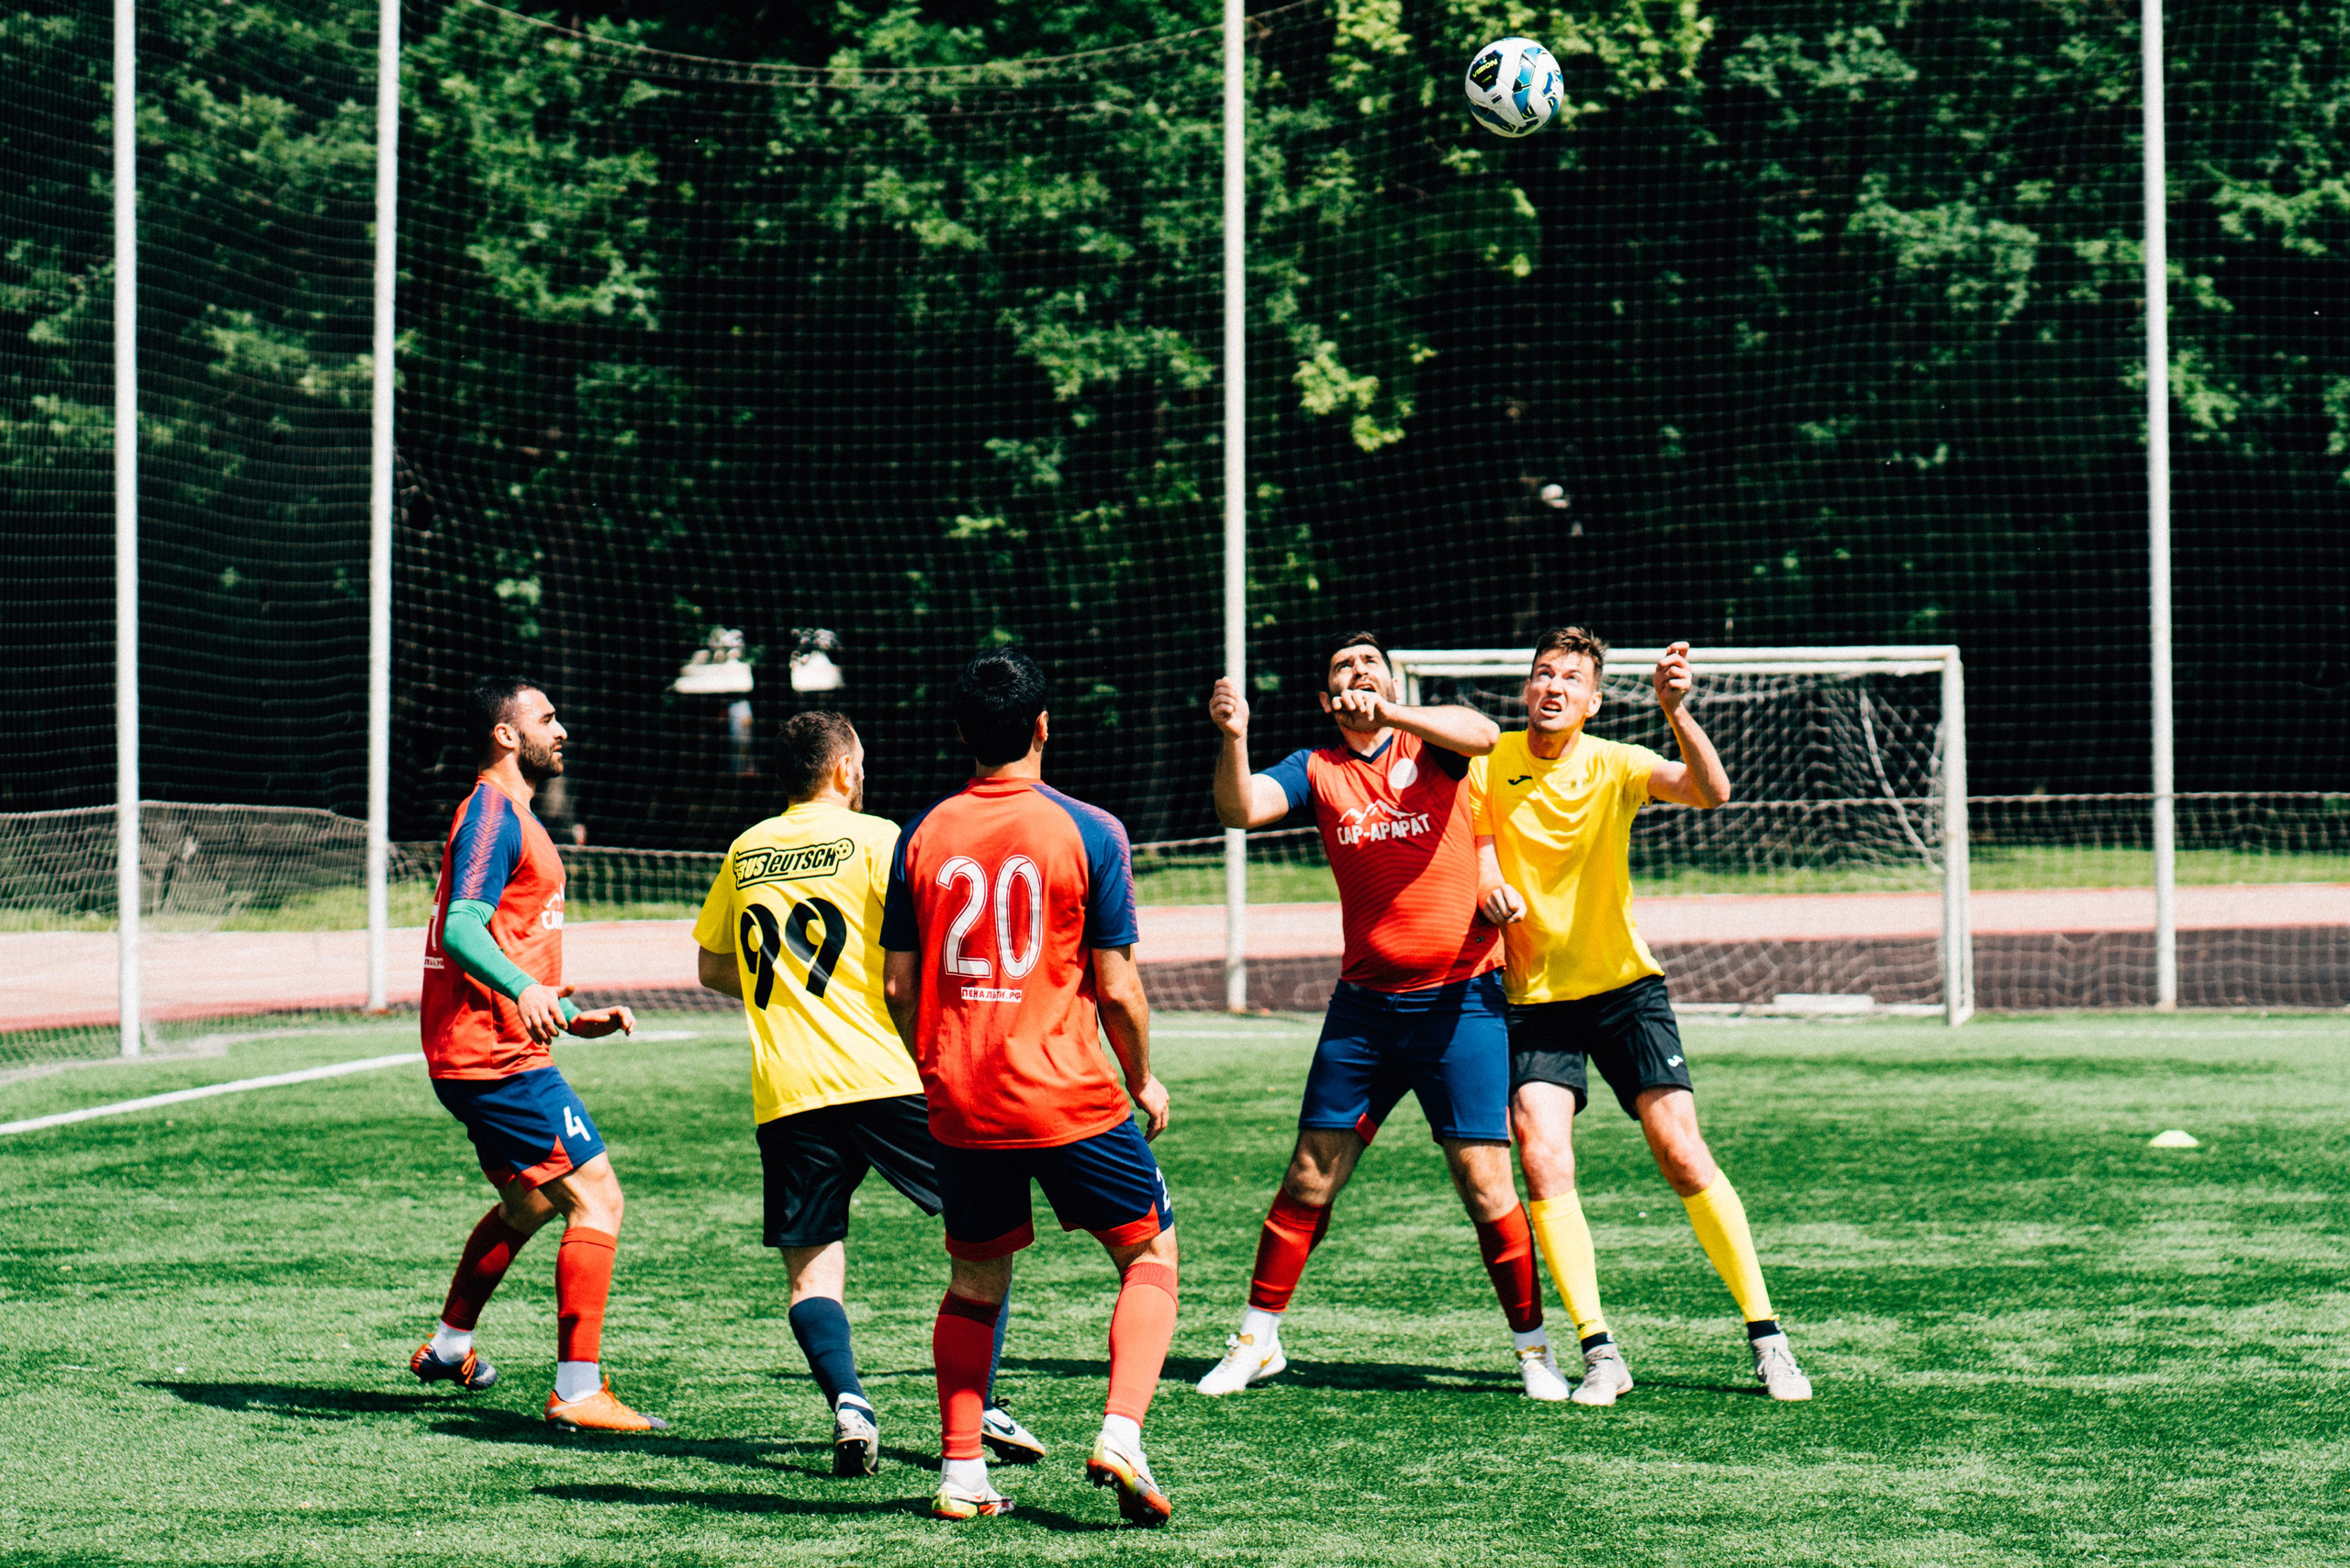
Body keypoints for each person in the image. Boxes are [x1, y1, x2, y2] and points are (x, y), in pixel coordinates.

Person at [1194, 630, 1568, 1403]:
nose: (1359, 674)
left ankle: (1534, 1351)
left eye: (1371, 663)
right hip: (1363, 1012)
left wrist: (1395, 709)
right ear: (1329, 699)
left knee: (1486, 1186)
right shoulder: (1318, 769)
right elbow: (1239, 808)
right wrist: (1234, 740)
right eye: (1344, 668)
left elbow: (1485, 732)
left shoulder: (1432, 750)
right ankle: (1256, 1340)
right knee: (1308, 1179)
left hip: (1462, 1001)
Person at [691, 710, 1044, 1477]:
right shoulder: (883, 839)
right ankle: (975, 1403)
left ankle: (850, 1403)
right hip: (889, 1074)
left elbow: (714, 969)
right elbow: (923, 955)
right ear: (845, 769)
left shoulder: (746, 850)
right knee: (986, 1231)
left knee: (812, 1272)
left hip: (786, 1087)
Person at [1470, 628, 1812, 1403]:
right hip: (1535, 1001)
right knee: (1542, 1156)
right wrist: (1488, 886)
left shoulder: (1616, 761)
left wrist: (1676, 712)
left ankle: (1769, 1339)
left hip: (1626, 989)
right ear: (1527, 690)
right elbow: (1479, 848)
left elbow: (1711, 792)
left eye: (1572, 679)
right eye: (1542, 675)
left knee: (1681, 1151)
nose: (1553, 687)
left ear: (1593, 701)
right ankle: (1599, 1353)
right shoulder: (1487, 766)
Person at [880, 648, 1179, 1526]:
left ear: (962, 733)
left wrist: (941, 1060)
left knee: (976, 1282)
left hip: (962, 1100)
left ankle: (964, 1474)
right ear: (1045, 726)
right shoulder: (1090, 829)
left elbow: (900, 986)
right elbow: (1117, 987)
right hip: (1066, 1092)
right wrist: (1142, 1077)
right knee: (1149, 1256)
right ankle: (1121, 1432)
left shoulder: (923, 834)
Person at [406, 676, 658, 1431]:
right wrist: (524, 990)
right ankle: (579, 1391)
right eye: (547, 718)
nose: (563, 730)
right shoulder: (489, 816)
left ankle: (450, 1348)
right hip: (494, 1057)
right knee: (598, 1198)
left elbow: (505, 938)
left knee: (533, 1200)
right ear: (506, 735)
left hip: (495, 1047)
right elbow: (461, 929)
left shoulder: (513, 817)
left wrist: (567, 1014)